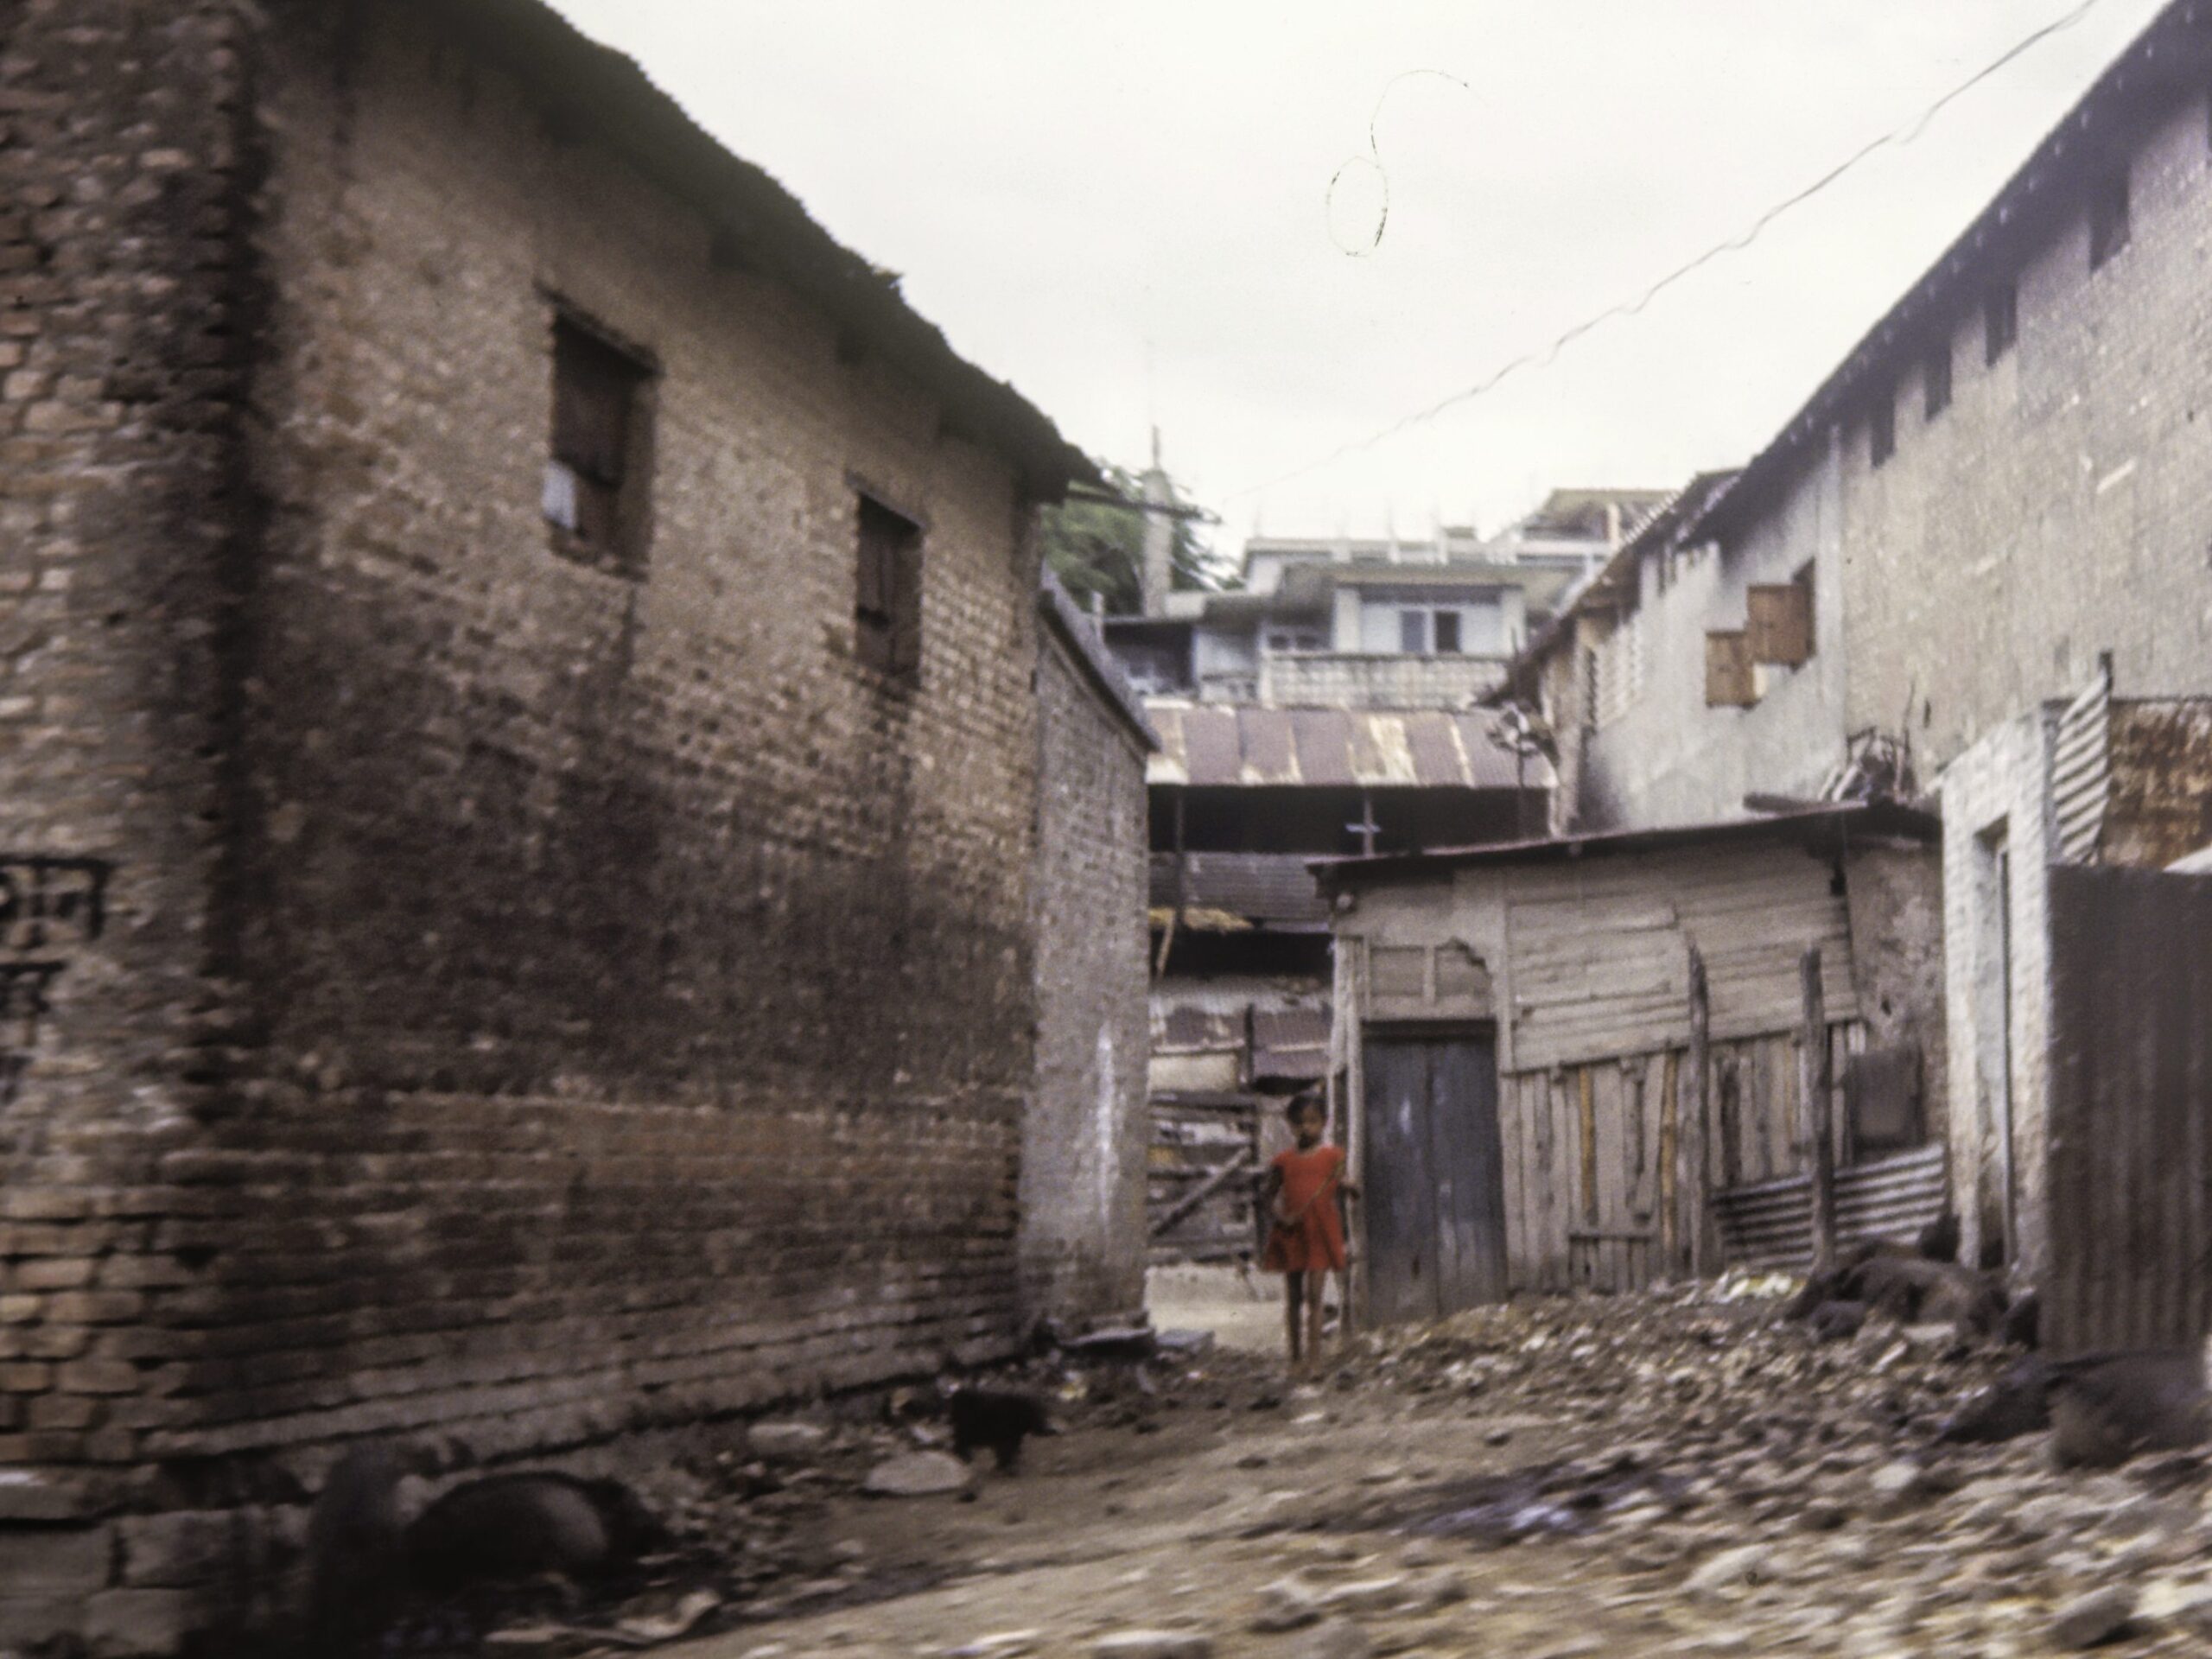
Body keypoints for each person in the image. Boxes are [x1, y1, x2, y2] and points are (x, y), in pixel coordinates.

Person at [1260, 1092, 1356, 1376]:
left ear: (1324, 1123)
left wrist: (1351, 1187)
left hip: (1321, 1233)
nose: (1306, 1128)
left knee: (1315, 1297)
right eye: (1299, 1123)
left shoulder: (1332, 1158)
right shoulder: (1284, 1162)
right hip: (1293, 1234)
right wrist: (1283, 1217)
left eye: (1312, 1122)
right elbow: (1266, 1198)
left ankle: (1315, 1360)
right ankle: (1295, 1359)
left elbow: (1341, 1183)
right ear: (1290, 1126)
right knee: (1293, 1299)